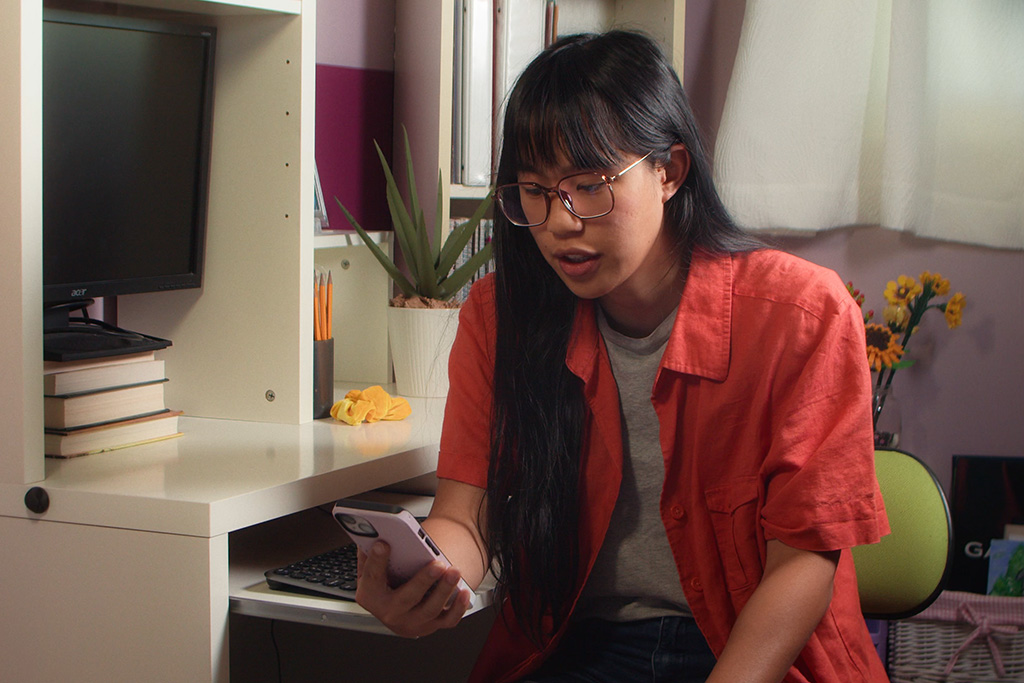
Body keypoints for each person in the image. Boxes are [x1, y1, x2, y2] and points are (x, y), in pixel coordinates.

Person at [355, 30, 890, 683]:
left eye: (589, 185)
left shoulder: (801, 314)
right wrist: (428, 573)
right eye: (535, 190)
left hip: (751, 652)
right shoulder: (503, 317)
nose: (560, 221)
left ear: (669, 171)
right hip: (583, 647)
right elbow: (465, 514)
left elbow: (804, 561)